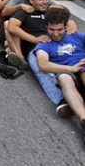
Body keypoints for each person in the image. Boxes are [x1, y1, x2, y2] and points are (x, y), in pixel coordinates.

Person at [33, 8, 85, 141]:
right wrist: (70, 68)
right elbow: (43, 64)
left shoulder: (75, 35)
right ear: (46, 27)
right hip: (68, 72)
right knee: (63, 77)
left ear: (65, 25)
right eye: (52, 30)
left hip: (83, 66)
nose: (55, 34)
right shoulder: (44, 44)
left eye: (59, 29)